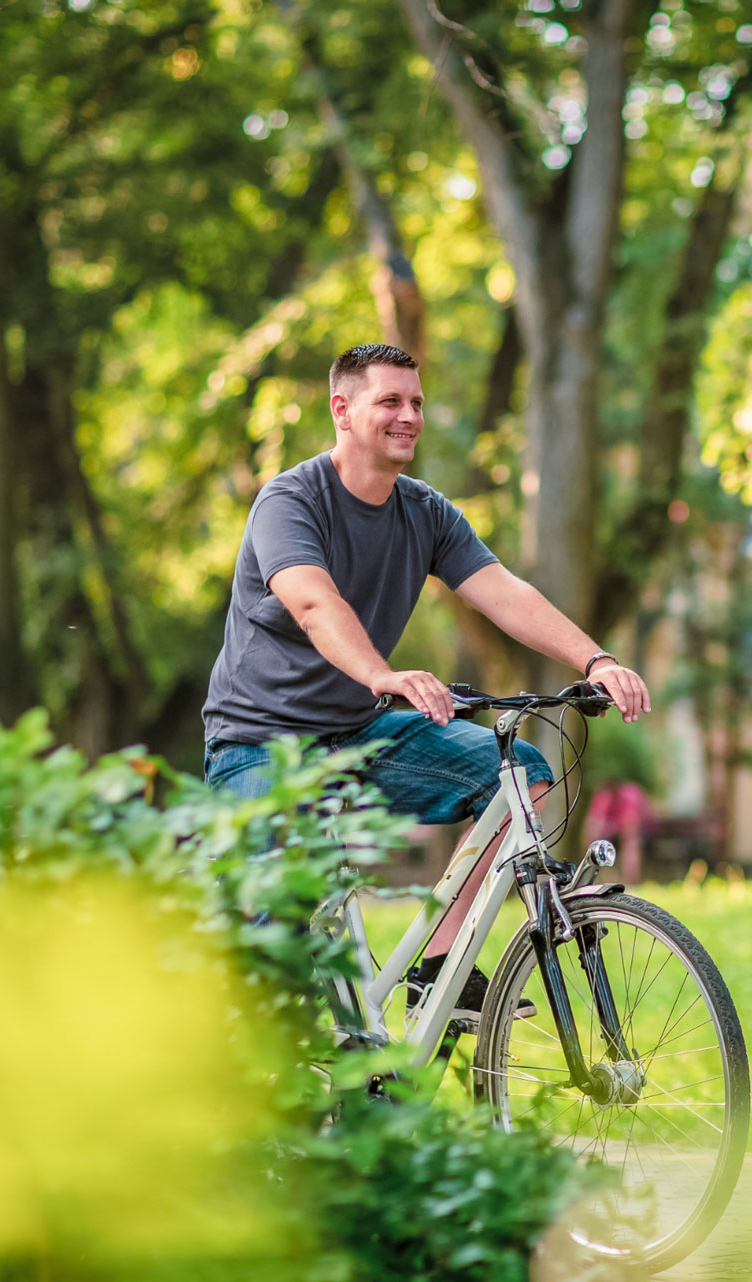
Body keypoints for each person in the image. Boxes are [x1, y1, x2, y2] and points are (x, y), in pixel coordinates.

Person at [202, 343, 650, 1011]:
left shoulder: (426, 512)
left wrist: (597, 660)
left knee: (519, 776)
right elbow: (314, 603)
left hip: (357, 732)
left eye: (416, 402)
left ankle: (439, 969)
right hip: (260, 742)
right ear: (342, 410)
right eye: (390, 401)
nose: (408, 415)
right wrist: (381, 675)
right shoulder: (290, 501)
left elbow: (505, 593)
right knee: (272, 947)